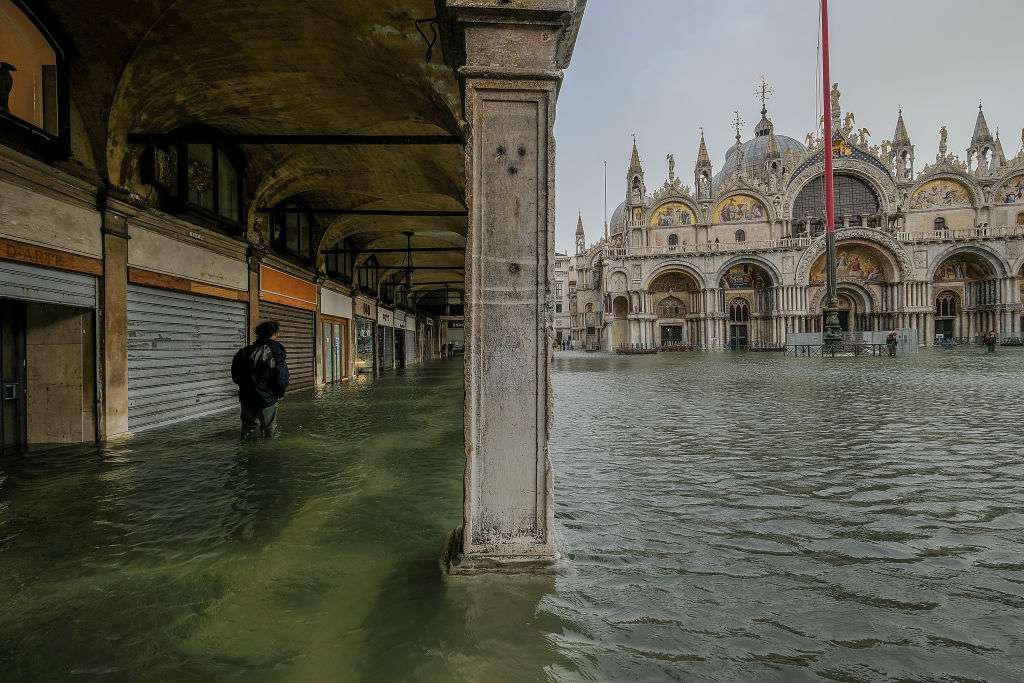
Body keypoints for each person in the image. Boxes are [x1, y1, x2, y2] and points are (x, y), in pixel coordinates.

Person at [231, 321, 289, 439]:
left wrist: (246, 387)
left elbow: (235, 376)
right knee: (269, 430)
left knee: (248, 429)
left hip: (247, 397)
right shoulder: (276, 352)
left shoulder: (243, 352)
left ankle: (247, 453)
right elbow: (281, 378)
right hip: (267, 398)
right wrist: (278, 393)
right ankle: (267, 454)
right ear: (274, 334)